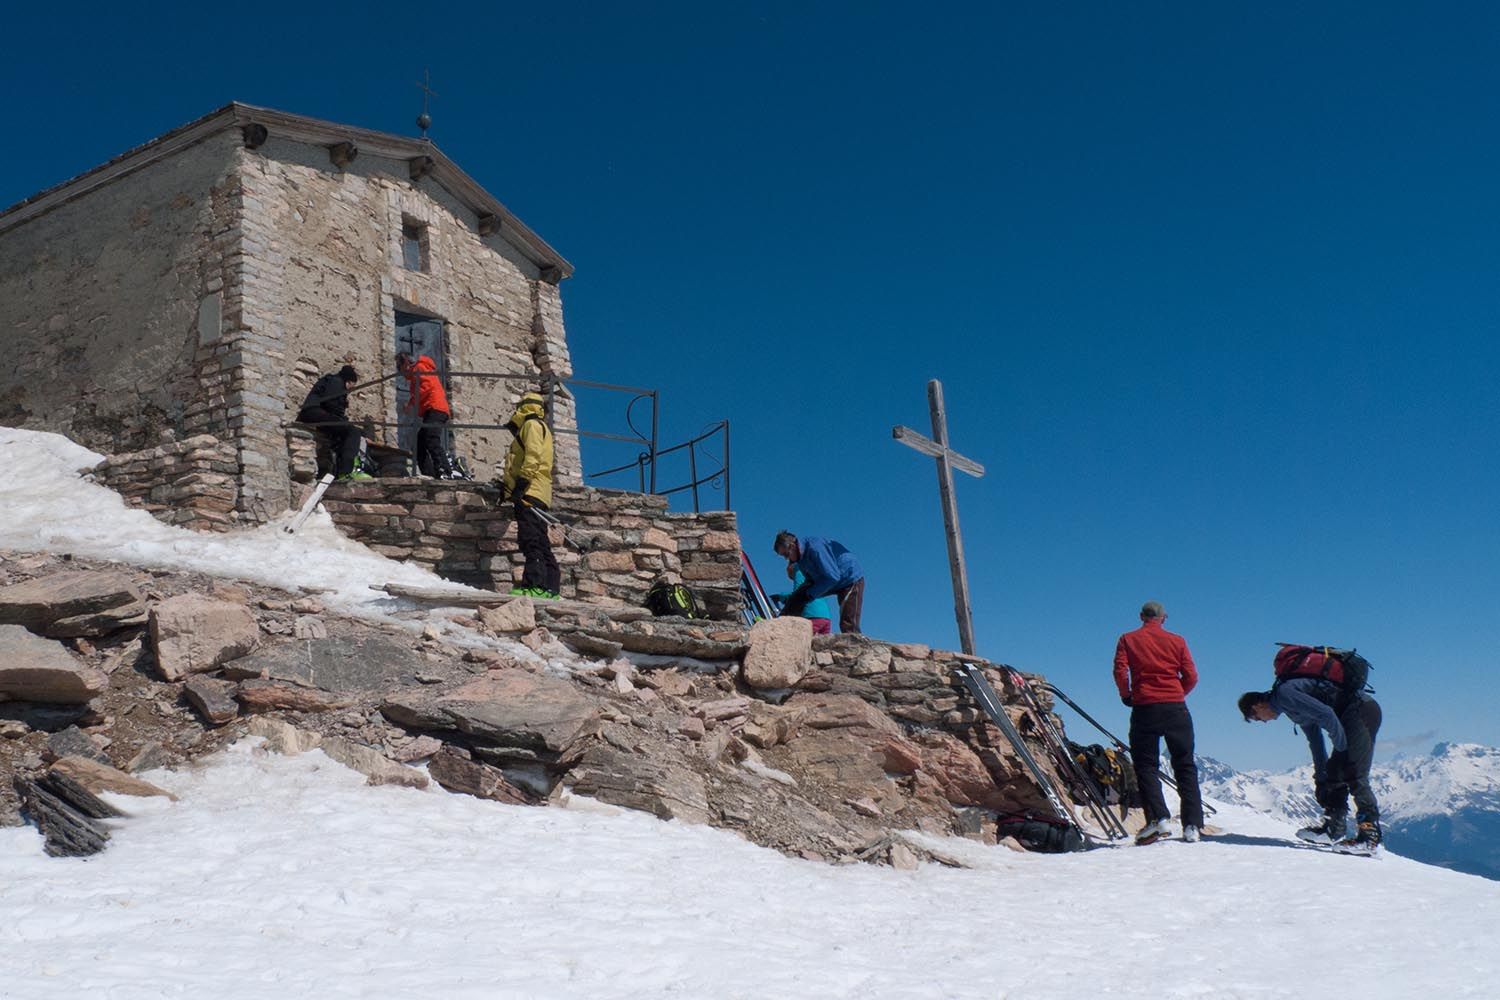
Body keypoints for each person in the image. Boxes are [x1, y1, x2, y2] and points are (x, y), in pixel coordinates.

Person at [1238, 681, 1384, 852]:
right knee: (1334, 772)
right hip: (1351, 715)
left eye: (1255, 717)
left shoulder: (1286, 695)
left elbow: (1327, 714)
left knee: (1354, 771)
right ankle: (1333, 830)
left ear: (1257, 705)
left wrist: (1342, 749)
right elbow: (1315, 740)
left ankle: (1370, 840)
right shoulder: (1290, 708)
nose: (1262, 722)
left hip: (1362, 712)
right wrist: (1321, 776)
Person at [1113, 600, 1205, 844]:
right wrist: (1177, 693)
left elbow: (1120, 671)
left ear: (1141, 616)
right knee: (1185, 765)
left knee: (1146, 765)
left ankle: (1158, 819)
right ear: (1164, 618)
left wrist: (1127, 694)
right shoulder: (1178, 641)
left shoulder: (1128, 639)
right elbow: (1192, 675)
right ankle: (1192, 826)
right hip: (1176, 708)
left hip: (1145, 707)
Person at [500, 391, 559, 599]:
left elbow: (532, 457)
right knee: (541, 540)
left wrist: (521, 485)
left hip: (530, 490)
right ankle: (551, 587)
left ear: (524, 407)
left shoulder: (531, 425)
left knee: (530, 539)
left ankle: (534, 586)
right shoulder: (542, 427)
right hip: (540, 491)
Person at [772, 531, 865, 633]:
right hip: (829, 578)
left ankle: (854, 644)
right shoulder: (801, 559)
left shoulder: (815, 548)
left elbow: (833, 577)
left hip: (850, 578)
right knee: (798, 596)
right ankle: (779, 624)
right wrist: (797, 599)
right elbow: (809, 581)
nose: (787, 559)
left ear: (792, 545)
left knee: (848, 622)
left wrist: (810, 594)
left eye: (786, 554)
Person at [297, 364, 370, 480]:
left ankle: (340, 469)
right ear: (349, 382)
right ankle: (347, 471)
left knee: (350, 432)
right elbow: (332, 405)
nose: (350, 390)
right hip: (314, 413)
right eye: (352, 386)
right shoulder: (336, 382)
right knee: (352, 432)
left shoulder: (333, 381)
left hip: (316, 414)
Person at [396, 352, 453, 478]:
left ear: (405, 364)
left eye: (399, 367)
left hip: (435, 408)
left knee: (431, 438)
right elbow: (421, 388)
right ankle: (429, 473)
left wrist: (412, 403)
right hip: (432, 409)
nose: (400, 372)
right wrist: (411, 402)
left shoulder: (420, 368)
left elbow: (427, 387)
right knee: (419, 442)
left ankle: (445, 471)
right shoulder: (417, 373)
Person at [773, 563, 834, 634]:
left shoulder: (798, 570)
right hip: (826, 617)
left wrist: (781, 597)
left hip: (812, 615)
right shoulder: (811, 572)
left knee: (800, 640)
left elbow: (798, 593)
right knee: (819, 644)